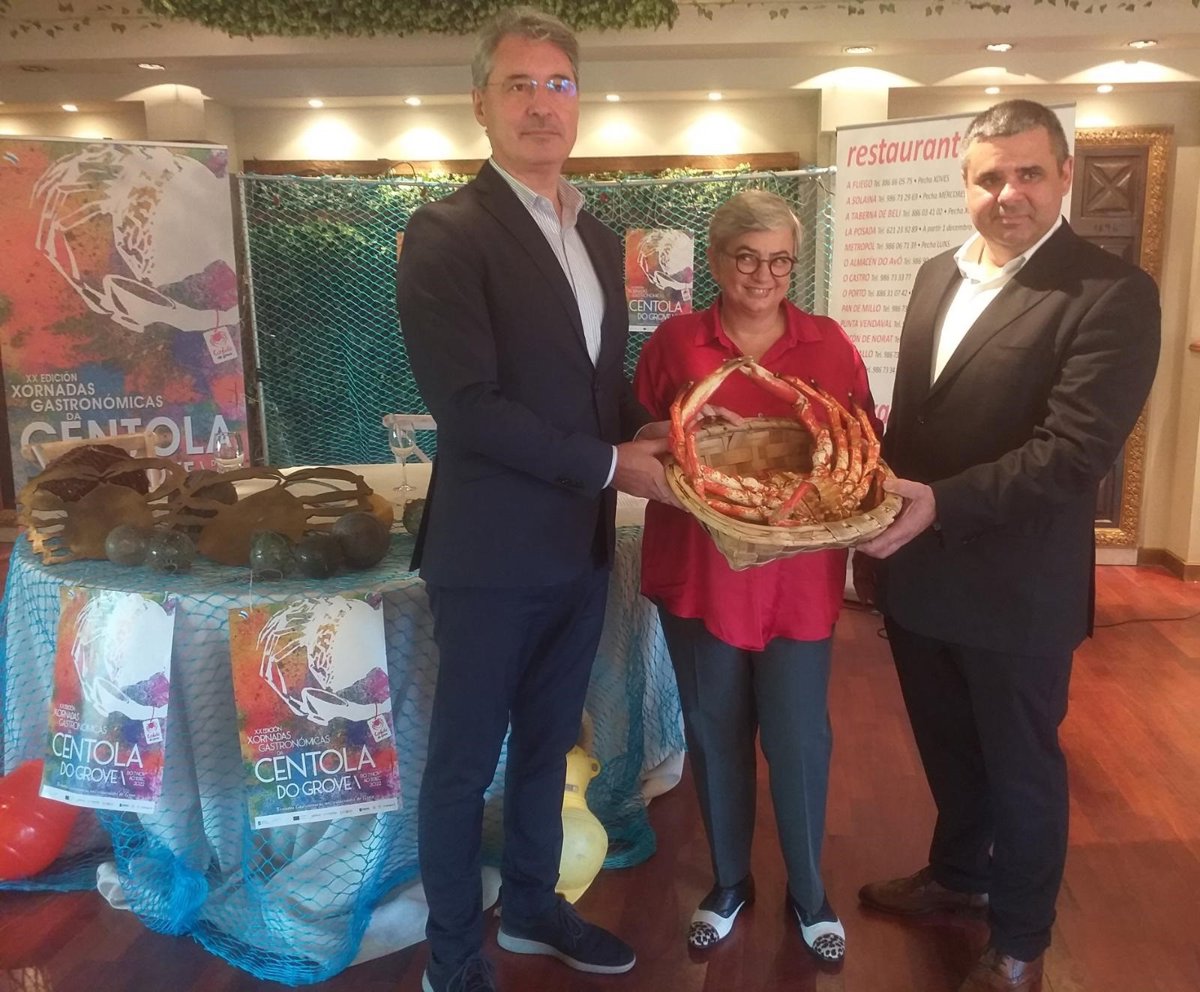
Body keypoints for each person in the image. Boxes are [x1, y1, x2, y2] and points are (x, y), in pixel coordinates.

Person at [394, 8, 675, 992]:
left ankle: (530, 909)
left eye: (559, 84)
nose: (542, 104)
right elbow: (468, 408)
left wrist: (656, 429)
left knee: (551, 746)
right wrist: (610, 465)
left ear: (580, 103)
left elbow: (595, 387)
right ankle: (452, 959)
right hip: (488, 555)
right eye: (520, 84)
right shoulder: (444, 233)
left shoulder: (594, 235)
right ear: (481, 103)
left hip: (578, 550)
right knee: (463, 764)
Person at [853, 99, 1161, 992]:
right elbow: (917, 424)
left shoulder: (1111, 292)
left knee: (1021, 770)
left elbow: (1075, 453)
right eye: (990, 177)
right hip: (920, 572)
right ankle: (958, 874)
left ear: (1065, 175)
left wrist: (939, 503)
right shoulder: (934, 276)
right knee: (948, 748)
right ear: (965, 184)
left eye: (1029, 173)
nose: (1008, 193)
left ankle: (1021, 938)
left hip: (1017, 587)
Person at [634, 189, 878, 965]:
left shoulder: (828, 344)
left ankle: (810, 893)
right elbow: (636, 432)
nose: (764, 275)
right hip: (700, 570)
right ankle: (729, 883)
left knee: (801, 737)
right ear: (715, 260)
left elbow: (864, 438)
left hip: (798, 576)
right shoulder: (677, 342)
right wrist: (676, 429)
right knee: (714, 732)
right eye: (746, 257)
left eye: (779, 260)